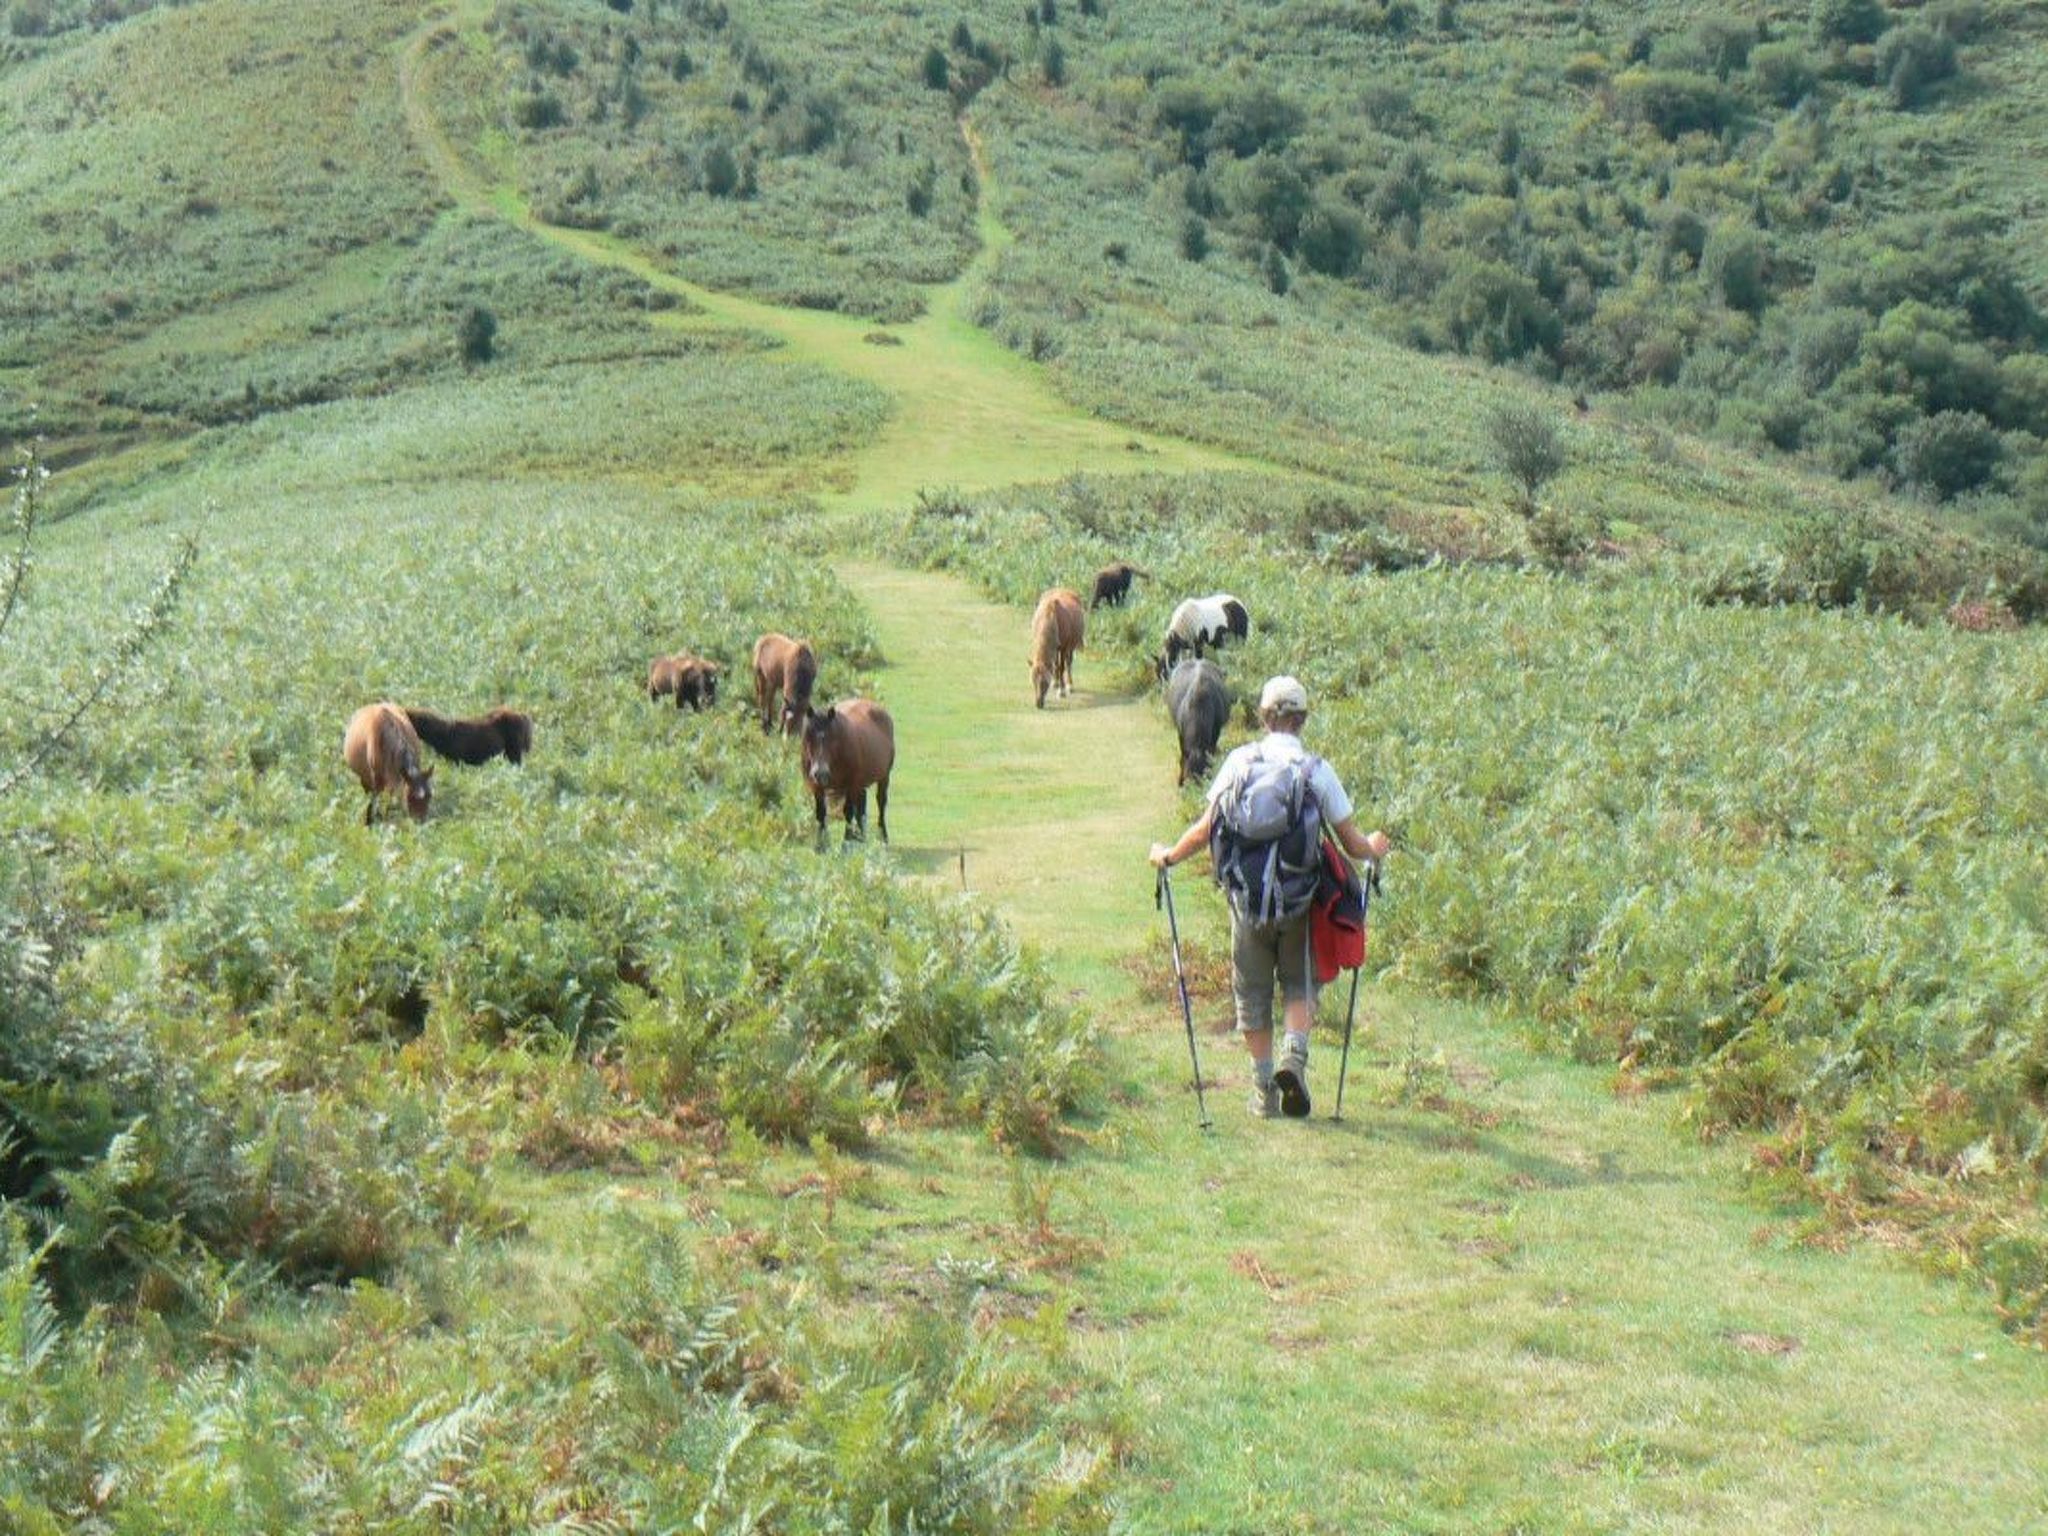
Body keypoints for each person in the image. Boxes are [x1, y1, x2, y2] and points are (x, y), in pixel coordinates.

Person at [1149, 675, 1390, 1119]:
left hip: (1246, 902)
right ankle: (1292, 1060)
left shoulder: (1240, 762)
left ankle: (1264, 1091)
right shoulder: (1316, 770)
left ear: (1263, 717)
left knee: (1251, 993)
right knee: (1300, 982)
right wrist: (1376, 846)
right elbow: (1353, 843)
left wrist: (1167, 856)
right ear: (1302, 719)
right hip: (1300, 901)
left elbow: (1205, 830)